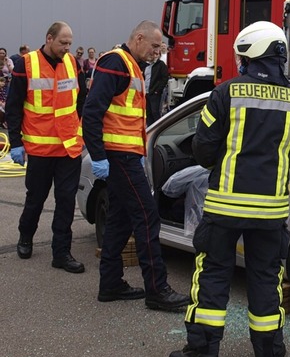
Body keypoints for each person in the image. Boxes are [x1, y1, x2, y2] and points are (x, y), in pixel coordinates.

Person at [168, 21, 290, 357]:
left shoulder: (225, 93)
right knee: (265, 279)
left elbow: (203, 151)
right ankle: (268, 352)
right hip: (270, 212)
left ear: (252, 54)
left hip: (224, 208)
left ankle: (203, 352)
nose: (239, 61)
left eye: (242, 55)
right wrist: (282, 154)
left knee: (212, 276)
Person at [82, 20, 190, 310]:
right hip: (119, 157)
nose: (157, 52)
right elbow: (92, 112)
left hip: (125, 155)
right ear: (139, 38)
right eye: (155, 46)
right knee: (146, 216)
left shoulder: (131, 66)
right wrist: (100, 156)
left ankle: (111, 284)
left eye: (160, 47)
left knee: (120, 219)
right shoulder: (116, 63)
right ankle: (157, 289)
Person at [5, 21, 87, 272]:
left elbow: (82, 100)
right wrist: (16, 143)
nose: (67, 48)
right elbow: (13, 106)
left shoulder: (73, 63)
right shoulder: (26, 63)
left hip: (69, 148)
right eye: (63, 42)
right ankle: (25, 236)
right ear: (49, 38)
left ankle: (61, 253)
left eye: (70, 43)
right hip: (40, 149)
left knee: (65, 201)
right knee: (36, 199)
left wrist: (82, 133)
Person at [144, 48, 169, 126]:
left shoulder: (161, 65)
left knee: (155, 112)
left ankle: (158, 128)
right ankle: (150, 128)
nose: (154, 56)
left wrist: (158, 90)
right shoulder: (145, 65)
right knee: (148, 112)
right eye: (152, 54)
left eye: (156, 54)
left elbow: (165, 78)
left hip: (154, 93)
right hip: (146, 92)